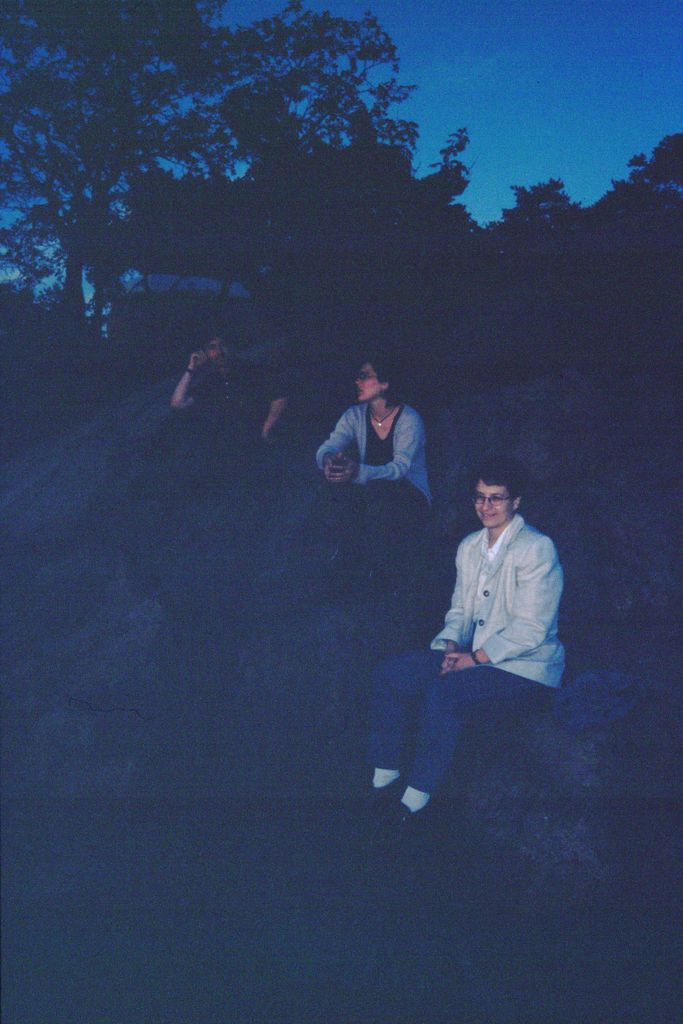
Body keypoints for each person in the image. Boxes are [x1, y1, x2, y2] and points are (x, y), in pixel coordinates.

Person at [367, 456, 565, 836]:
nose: (486, 506)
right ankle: (383, 781)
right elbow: (459, 611)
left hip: (524, 668)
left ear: (515, 501)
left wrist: (472, 659)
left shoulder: (537, 548)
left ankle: (413, 802)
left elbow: (532, 629)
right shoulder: (469, 547)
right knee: (391, 675)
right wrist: (449, 648)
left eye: (496, 498)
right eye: (479, 497)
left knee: (445, 695)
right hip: (472, 656)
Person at [314, 355, 431, 593]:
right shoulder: (355, 415)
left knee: (377, 495)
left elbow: (399, 469)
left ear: (385, 383)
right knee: (333, 490)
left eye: (365, 376)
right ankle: (342, 565)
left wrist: (357, 471)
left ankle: (387, 576)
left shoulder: (409, 419)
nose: (357, 382)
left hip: (409, 493)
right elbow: (329, 445)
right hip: (371, 490)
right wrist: (328, 461)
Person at [170, 335, 288, 442]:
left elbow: (279, 396)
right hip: (227, 447)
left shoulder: (252, 371)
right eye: (212, 348)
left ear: (231, 347)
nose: (219, 352)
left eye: (223, 345)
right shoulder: (211, 383)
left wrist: (268, 426)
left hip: (257, 443)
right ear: (206, 354)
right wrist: (191, 368)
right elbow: (178, 403)